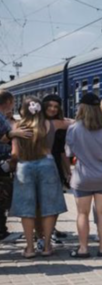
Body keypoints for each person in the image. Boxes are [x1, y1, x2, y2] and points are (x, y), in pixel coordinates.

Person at [8, 97, 68, 258]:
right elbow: (75, 123)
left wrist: (10, 134)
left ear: (23, 111)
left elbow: (15, 154)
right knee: (49, 206)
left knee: (27, 209)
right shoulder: (51, 124)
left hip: (24, 166)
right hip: (47, 165)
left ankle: (29, 248)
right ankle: (47, 246)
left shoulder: (17, 127)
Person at [66, 93, 102, 258]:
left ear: (81, 108)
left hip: (82, 176)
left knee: (82, 213)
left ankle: (83, 249)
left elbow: (70, 153)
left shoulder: (73, 128)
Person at [39, 95, 72, 250]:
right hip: (39, 165)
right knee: (40, 203)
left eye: (56, 106)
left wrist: (68, 172)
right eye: (50, 106)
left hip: (56, 165)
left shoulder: (60, 123)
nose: (53, 109)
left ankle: (50, 230)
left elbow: (61, 151)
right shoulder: (39, 123)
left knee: (54, 201)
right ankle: (41, 234)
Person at [0, 90, 32, 241]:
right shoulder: (0, 118)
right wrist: (13, 134)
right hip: (2, 163)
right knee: (3, 198)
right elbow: (2, 139)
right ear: (7, 102)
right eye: (12, 102)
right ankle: (2, 232)